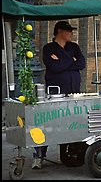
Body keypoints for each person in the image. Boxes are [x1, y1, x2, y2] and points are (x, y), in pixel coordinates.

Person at [32, 21, 86, 169]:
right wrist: (71, 61)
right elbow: (54, 67)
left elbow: (81, 63)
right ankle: (39, 156)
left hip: (74, 91)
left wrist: (63, 61)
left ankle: (66, 154)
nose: (72, 34)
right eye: (69, 31)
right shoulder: (48, 48)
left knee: (71, 123)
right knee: (48, 124)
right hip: (55, 93)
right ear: (60, 31)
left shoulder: (73, 47)